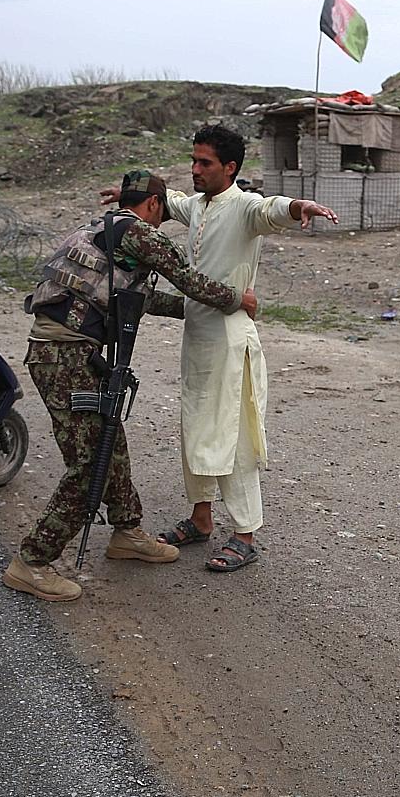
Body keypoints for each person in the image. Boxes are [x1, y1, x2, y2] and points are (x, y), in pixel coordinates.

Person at [1, 169, 258, 603]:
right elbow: (188, 278)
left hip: (66, 356)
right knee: (87, 468)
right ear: (155, 204)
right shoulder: (139, 233)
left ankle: (127, 532)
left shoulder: (98, 229)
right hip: (67, 360)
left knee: (110, 445)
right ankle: (32, 562)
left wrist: (188, 312)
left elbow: (131, 300)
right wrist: (237, 300)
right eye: (162, 212)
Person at [103, 124, 337, 572]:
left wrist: (300, 206)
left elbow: (272, 210)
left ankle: (245, 533)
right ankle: (201, 519)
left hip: (232, 341)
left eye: (205, 163)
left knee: (235, 437)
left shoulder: (244, 207)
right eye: (193, 161)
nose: (195, 169)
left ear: (230, 167)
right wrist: (127, 195)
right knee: (197, 429)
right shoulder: (198, 205)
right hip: (197, 337)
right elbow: (169, 200)